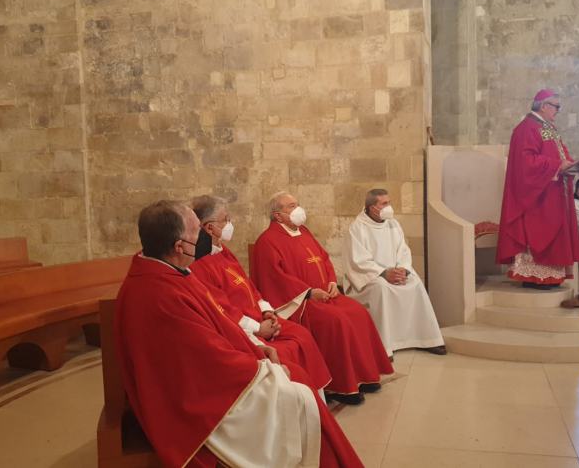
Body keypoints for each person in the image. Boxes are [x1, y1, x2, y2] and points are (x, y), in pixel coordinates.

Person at [115, 200, 363, 467]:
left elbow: (216, 320)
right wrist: (261, 366)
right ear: (178, 247)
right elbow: (205, 359)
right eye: (198, 232)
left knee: (298, 379)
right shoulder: (159, 294)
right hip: (196, 401)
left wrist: (256, 346)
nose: (204, 238)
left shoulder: (170, 270)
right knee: (299, 395)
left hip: (215, 371)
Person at [251, 191, 394, 405]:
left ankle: (363, 377)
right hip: (299, 301)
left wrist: (331, 282)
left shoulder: (304, 232)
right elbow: (274, 278)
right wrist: (308, 292)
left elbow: (324, 259)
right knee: (336, 321)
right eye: (291, 206)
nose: (298, 209)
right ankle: (340, 386)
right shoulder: (267, 241)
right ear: (277, 215)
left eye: (297, 204)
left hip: (323, 293)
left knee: (359, 313)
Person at [188, 194, 333, 394]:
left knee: (302, 335)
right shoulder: (200, 263)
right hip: (241, 329)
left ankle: (312, 399)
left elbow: (250, 286)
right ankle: (295, 400)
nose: (230, 224)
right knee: (285, 351)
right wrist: (258, 328)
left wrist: (267, 311)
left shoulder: (223, 251)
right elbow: (220, 307)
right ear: (209, 227)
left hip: (259, 317)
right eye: (226, 220)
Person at [342, 189, 446, 357]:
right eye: (384, 203)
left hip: (394, 273)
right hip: (369, 278)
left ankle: (426, 339)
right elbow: (358, 260)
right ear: (371, 207)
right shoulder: (357, 228)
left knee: (415, 283)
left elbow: (403, 251)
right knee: (382, 288)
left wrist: (402, 269)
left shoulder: (393, 224)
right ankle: (385, 346)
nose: (388, 207)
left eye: (389, 202)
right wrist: (384, 273)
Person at [495, 89, 579, 289]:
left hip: (552, 193)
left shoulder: (548, 128)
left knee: (552, 232)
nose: (558, 111)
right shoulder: (526, 128)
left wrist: (569, 164)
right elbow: (526, 162)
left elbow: (560, 155)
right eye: (556, 106)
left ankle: (548, 276)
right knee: (537, 232)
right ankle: (533, 276)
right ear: (543, 106)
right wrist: (556, 165)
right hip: (536, 197)